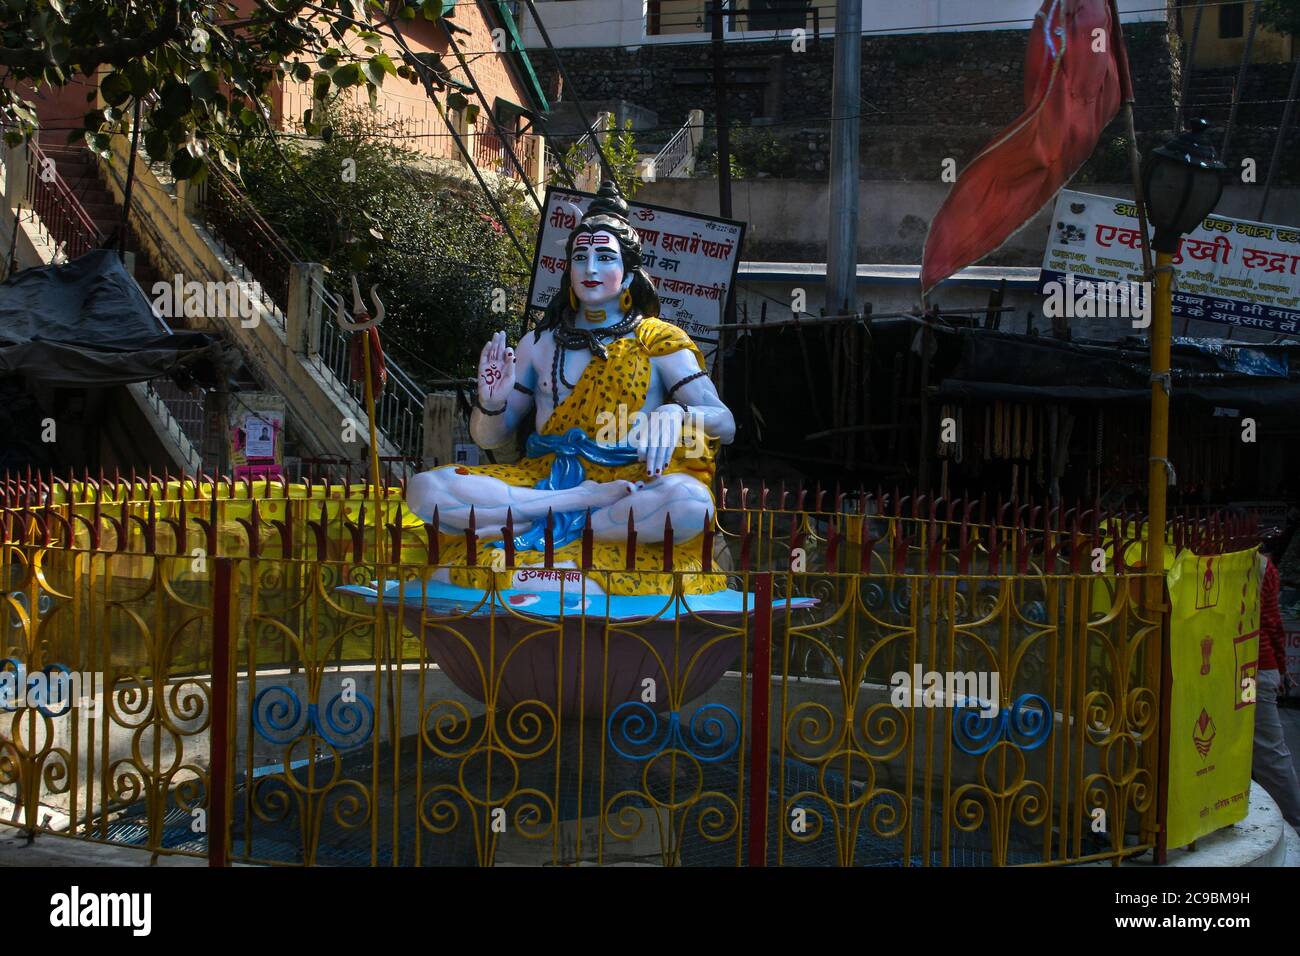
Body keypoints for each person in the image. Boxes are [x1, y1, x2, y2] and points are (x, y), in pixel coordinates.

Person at [405, 182, 736, 596]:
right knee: (426, 489)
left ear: (630, 273)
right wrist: (490, 402)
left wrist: (677, 414)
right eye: (580, 257)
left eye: (604, 257)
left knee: (691, 504)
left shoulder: (658, 339)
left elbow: (725, 423)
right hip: (543, 478)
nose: (590, 269)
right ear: (568, 269)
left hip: (627, 484)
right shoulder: (539, 343)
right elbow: (489, 436)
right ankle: (570, 506)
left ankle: (535, 523)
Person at [1253, 536, 1300, 832]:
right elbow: (1272, 623)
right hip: (1257, 670)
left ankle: (1294, 817)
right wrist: (1280, 670)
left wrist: (1279, 670)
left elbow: (1270, 623)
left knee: (1267, 747)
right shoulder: (1263, 568)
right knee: (1265, 747)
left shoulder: (1251, 568)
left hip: (1250, 672)